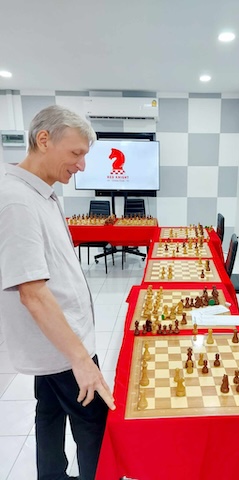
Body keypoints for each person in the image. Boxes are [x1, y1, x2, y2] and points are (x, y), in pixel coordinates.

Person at [0, 105, 116, 480]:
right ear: (43, 139)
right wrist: (82, 360)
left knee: (48, 413)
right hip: (62, 347)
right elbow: (32, 293)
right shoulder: (16, 199)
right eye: (76, 153)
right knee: (93, 422)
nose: (81, 166)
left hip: (55, 343)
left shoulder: (41, 193)